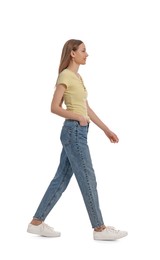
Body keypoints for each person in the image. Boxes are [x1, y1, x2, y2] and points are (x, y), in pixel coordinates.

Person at [27, 39, 128, 241]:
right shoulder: (65, 75)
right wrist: (79, 118)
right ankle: (100, 229)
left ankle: (36, 223)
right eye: (83, 50)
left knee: (61, 179)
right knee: (88, 178)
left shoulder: (77, 77)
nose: (87, 54)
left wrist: (106, 129)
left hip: (80, 131)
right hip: (74, 132)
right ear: (72, 53)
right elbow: (54, 107)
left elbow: (87, 108)